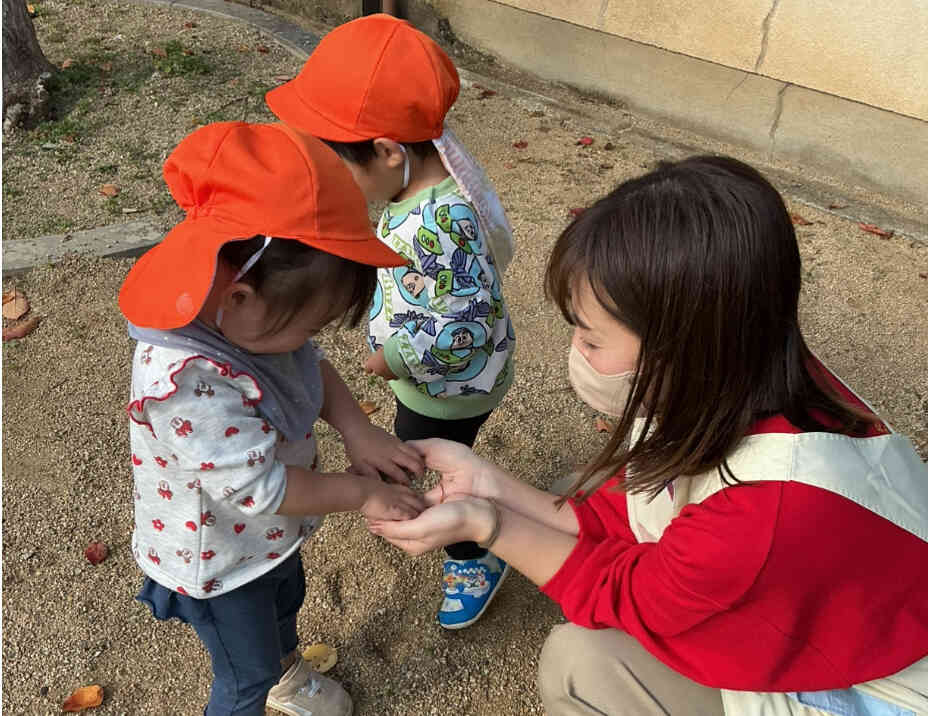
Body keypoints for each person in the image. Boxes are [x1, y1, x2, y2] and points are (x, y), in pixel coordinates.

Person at [369, 156, 928, 715]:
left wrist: (484, 523)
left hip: (874, 684)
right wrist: (486, 482)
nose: (577, 354)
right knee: (580, 492)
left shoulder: (763, 511)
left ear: (680, 348)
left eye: (591, 340)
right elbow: (632, 513)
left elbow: (629, 596)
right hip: (859, 609)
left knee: (581, 666)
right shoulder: (744, 372)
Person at [119, 121, 427, 716]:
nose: (308, 342)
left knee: (286, 605)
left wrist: (357, 429)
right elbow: (262, 489)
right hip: (219, 560)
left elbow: (307, 368)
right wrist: (362, 493)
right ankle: (269, 683)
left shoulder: (256, 325)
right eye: (308, 326)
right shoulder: (186, 382)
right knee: (244, 679)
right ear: (239, 298)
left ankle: (288, 673)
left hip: (265, 540)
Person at [266, 14, 518, 630]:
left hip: (447, 388)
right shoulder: (422, 185)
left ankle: (472, 553)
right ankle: (412, 493)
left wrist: (393, 359)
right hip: (447, 375)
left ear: (385, 151)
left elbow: (465, 322)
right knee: (421, 451)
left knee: (437, 460)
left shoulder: (435, 221)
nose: (332, 176)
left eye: (338, 162)